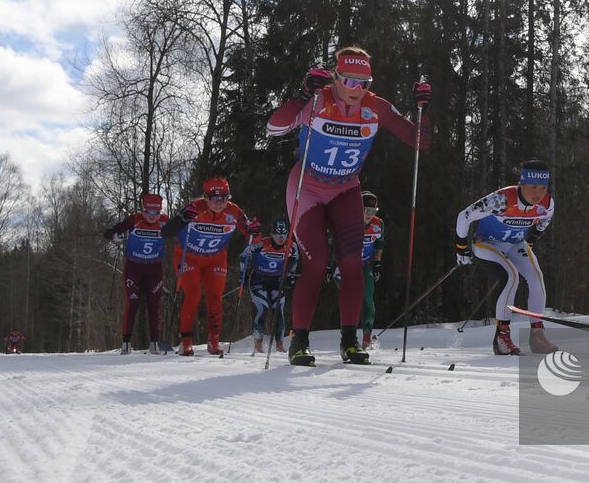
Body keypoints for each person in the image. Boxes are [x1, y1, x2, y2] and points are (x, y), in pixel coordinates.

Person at [266, 46, 431, 366]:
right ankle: (299, 341)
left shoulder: (376, 108)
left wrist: (424, 107)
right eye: (350, 82)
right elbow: (274, 128)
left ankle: (350, 341)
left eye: (364, 83)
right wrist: (302, 95)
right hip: (307, 189)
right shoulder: (318, 100)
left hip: (346, 189)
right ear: (336, 78)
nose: (357, 90)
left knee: (353, 264)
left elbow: (419, 140)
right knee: (316, 262)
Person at [454, 160, 556, 355]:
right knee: (512, 278)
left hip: (515, 244)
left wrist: (531, 240)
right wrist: (461, 247)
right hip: (486, 243)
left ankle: (537, 336)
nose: (538, 193)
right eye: (533, 187)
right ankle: (502, 337)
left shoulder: (547, 203)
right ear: (522, 184)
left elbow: (543, 223)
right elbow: (464, 216)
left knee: (536, 278)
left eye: (542, 188)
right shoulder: (502, 199)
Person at [159, 176, 252, 356]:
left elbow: (251, 236)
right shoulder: (194, 208)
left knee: (215, 296)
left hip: (215, 258)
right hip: (188, 256)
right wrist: (181, 219)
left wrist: (254, 232)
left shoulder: (235, 212)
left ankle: (214, 339)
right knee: (193, 293)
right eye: (214, 198)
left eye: (223, 198)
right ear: (206, 197)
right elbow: (166, 233)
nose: (219, 203)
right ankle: (186, 340)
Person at [105, 192, 171, 354]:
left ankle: (154, 342)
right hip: (133, 267)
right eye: (148, 212)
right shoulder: (134, 220)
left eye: (156, 212)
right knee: (132, 303)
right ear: (143, 210)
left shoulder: (164, 221)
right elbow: (110, 232)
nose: (152, 216)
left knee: (154, 306)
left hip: (154, 268)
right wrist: (115, 235)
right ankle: (126, 342)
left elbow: (181, 231)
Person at [240, 218, 292, 354]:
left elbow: (295, 259)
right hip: (258, 280)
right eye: (277, 234)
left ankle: (280, 344)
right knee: (262, 308)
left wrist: (290, 276)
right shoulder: (261, 244)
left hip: (276, 281)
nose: (281, 238)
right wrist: (243, 274)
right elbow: (243, 255)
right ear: (271, 233)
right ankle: (258, 342)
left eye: (284, 234)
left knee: (279, 310)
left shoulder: (290, 245)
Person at [359, 191, 385, 349]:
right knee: (350, 297)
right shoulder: (349, 220)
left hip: (365, 264)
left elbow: (380, 243)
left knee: (368, 297)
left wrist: (377, 264)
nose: (369, 214)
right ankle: (347, 336)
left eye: (373, 211)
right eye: (366, 210)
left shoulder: (378, 223)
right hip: (345, 264)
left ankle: (366, 337)